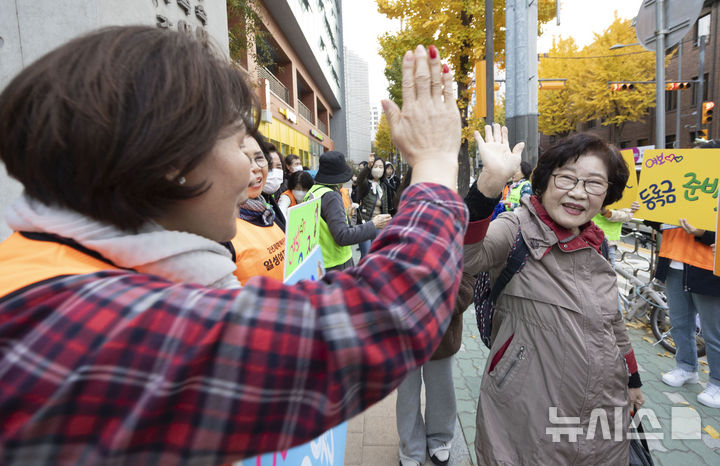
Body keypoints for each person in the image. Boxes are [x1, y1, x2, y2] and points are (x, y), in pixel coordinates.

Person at [0, 28, 465, 465]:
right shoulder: (83, 327)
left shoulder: (51, 272)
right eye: (236, 143)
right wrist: (436, 163)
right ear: (171, 160)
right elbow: (380, 317)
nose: (250, 171)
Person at [464, 128, 644, 464]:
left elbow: (614, 322)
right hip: (527, 412)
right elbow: (464, 253)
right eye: (566, 179)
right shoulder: (515, 229)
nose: (578, 193)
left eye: (593, 183)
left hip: (603, 412)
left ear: (607, 193)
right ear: (545, 182)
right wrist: (489, 183)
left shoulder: (598, 243)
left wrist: (633, 380)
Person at [394, 163, 473, 466]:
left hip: (443, 329)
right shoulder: (398, 226)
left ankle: (440, 439)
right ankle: (410, 449)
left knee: (443, 391)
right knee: (407, 395)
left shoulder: (459, 226)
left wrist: (443, 305)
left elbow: (469, 277)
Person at [654, 140, 720, 408]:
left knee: (714, 334)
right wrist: (646, 209)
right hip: (674, 265)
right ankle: (686, 367)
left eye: (697, 159)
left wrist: (704, 234)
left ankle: (716, 382)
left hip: (707, 268)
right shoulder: (676, 185)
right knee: (680, 323)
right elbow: (657, 220)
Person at [304, 151, 389, 271]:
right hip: (336, 263)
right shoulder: (331, 196)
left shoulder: (314, 191)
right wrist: (373, 225)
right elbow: (343, 236)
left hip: (320, 261)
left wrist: (344, 216)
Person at [228, 134, 286, 284]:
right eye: (242, 159)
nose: (255, 168)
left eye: (259, 158)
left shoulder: (268, 211)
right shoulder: (218, 234)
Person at [356, 156, 392, 258]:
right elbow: (359, 179)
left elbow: (385, 207)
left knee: (375, 255)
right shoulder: (366, 183)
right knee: (366, 254)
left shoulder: (384, 186)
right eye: (376, 166)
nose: (378, 169)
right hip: (365, 224)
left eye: (381, 167)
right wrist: (368, 166)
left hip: (379, 225)